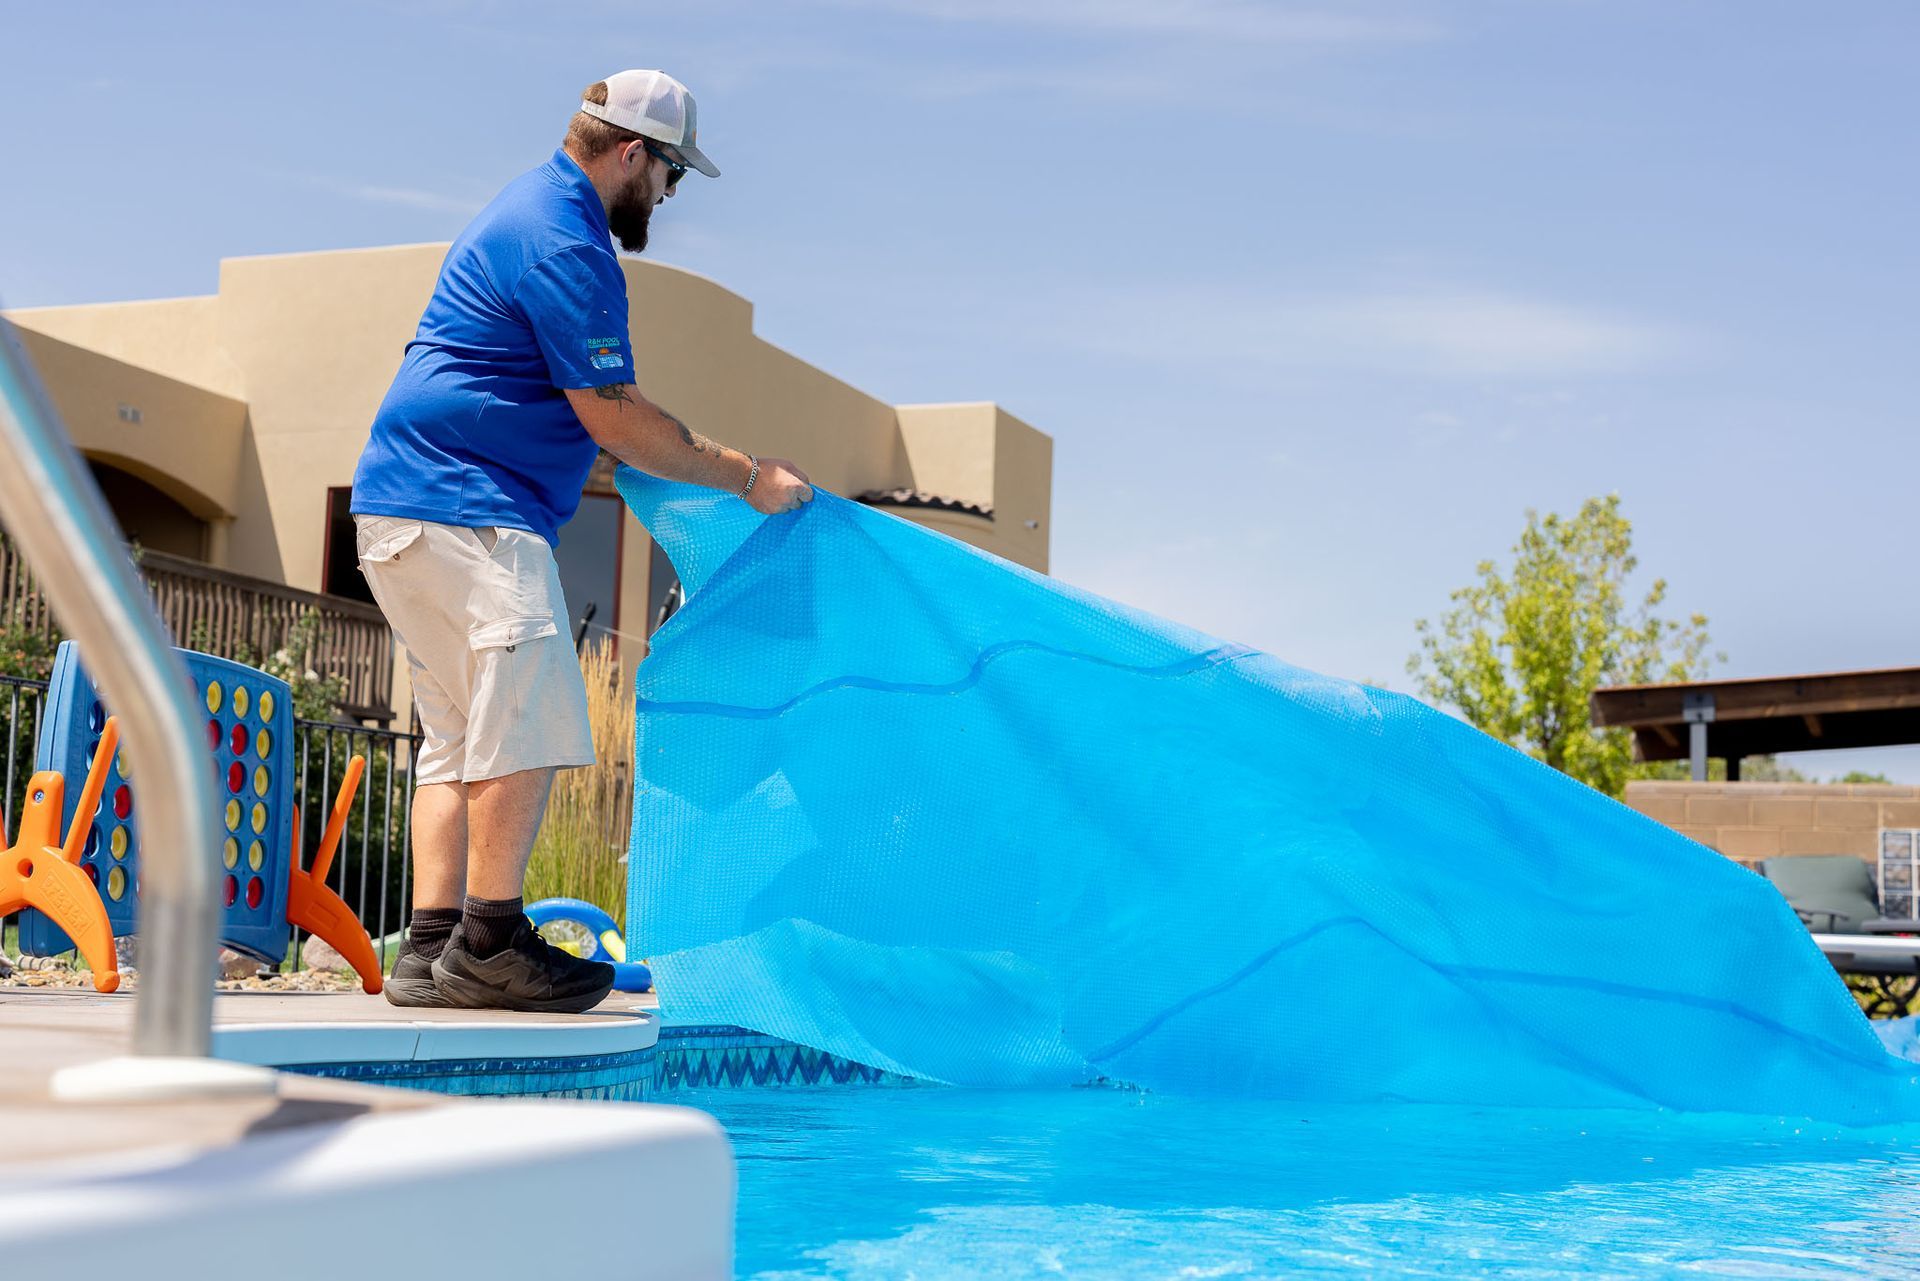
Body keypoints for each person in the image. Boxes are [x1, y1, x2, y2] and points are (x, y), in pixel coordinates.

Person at [350, 69, 812, 1012]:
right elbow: (616, 415)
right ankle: (489, 943)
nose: (670, 195)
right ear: (632, 154)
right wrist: (748, 476)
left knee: (455, 738)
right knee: (527, 714)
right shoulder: (566, 239)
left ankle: (429, 947)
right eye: (671, 173)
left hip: (400, 509)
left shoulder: (524, 206)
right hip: (469, 508)